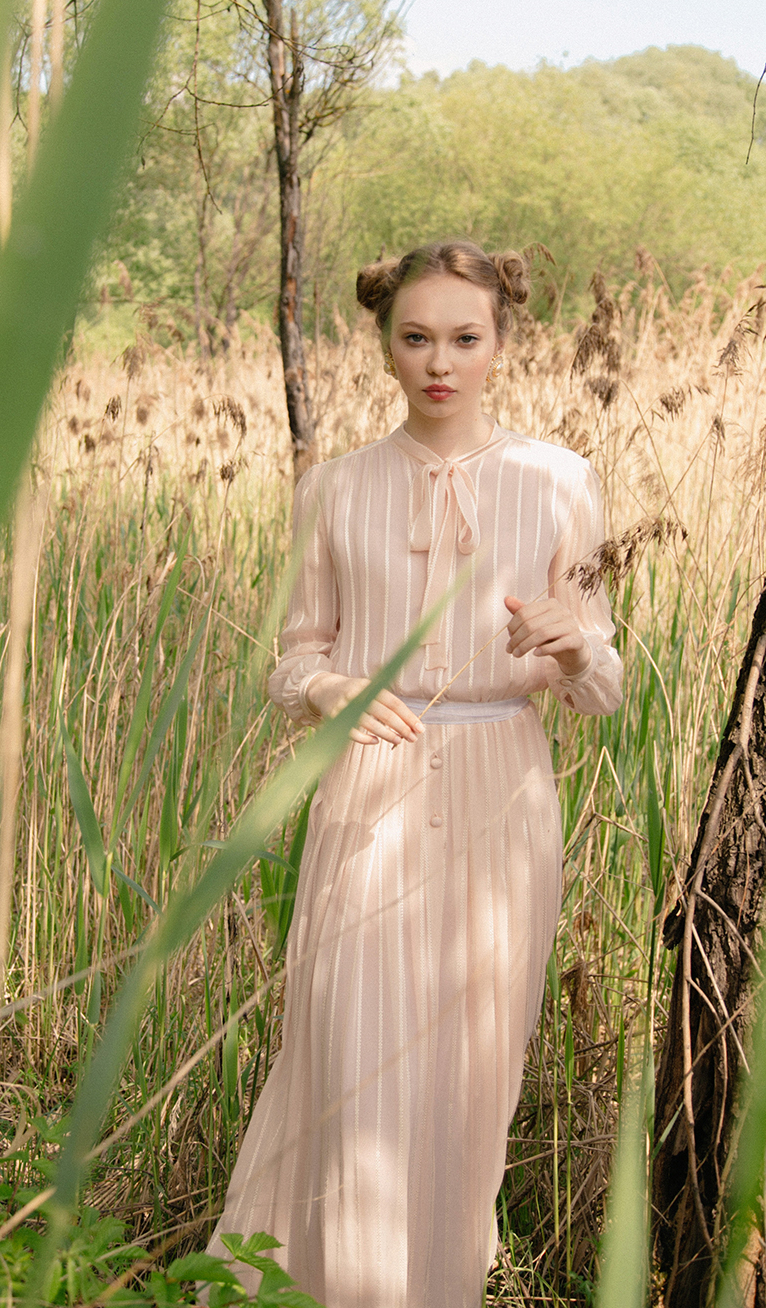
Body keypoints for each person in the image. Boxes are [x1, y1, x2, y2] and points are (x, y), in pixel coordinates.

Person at [207, 240, 622, 1308]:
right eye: (417, 337)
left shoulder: (560, 481)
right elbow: (290, 655)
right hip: (372, 785)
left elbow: (603, 683)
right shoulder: (335, 490)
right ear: (386, 345)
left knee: (471, 1080)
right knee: (347, 1050)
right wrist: (326, 690)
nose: (441, 361)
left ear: (500, 342)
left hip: (502, 793)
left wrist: (572, 646)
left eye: (465, 338)